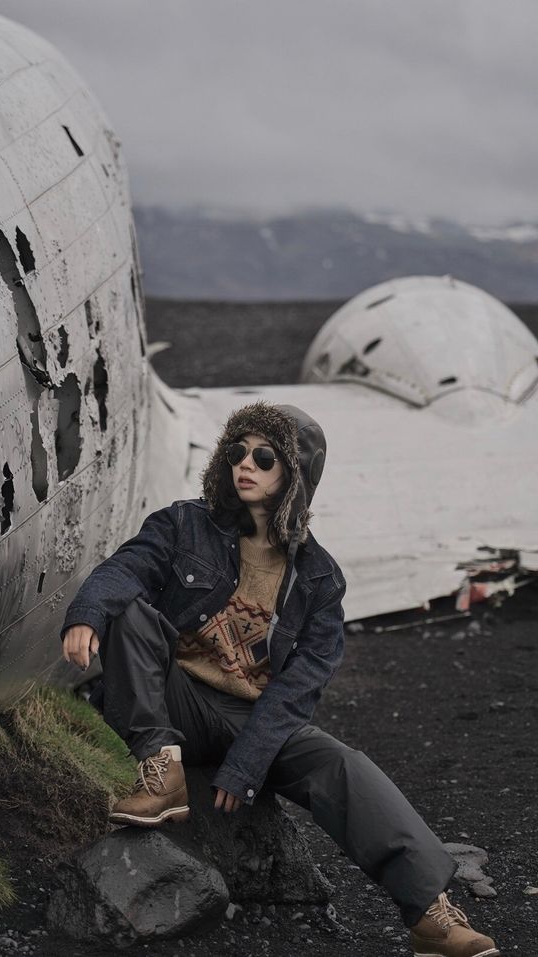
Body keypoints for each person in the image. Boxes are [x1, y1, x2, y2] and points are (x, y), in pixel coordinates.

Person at [61, 401, 498, 957]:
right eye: (236, 451)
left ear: (295, 476)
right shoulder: (183, 524)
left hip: (256, 717)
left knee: (344, 765)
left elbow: (300, 687)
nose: (246, 464)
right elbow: (126, 568)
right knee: (129, 612)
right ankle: (160, 770)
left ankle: (430, 916)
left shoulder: (320, 578)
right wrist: (86, 614)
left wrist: (246, 767)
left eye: (264, 457)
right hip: (178, 701)